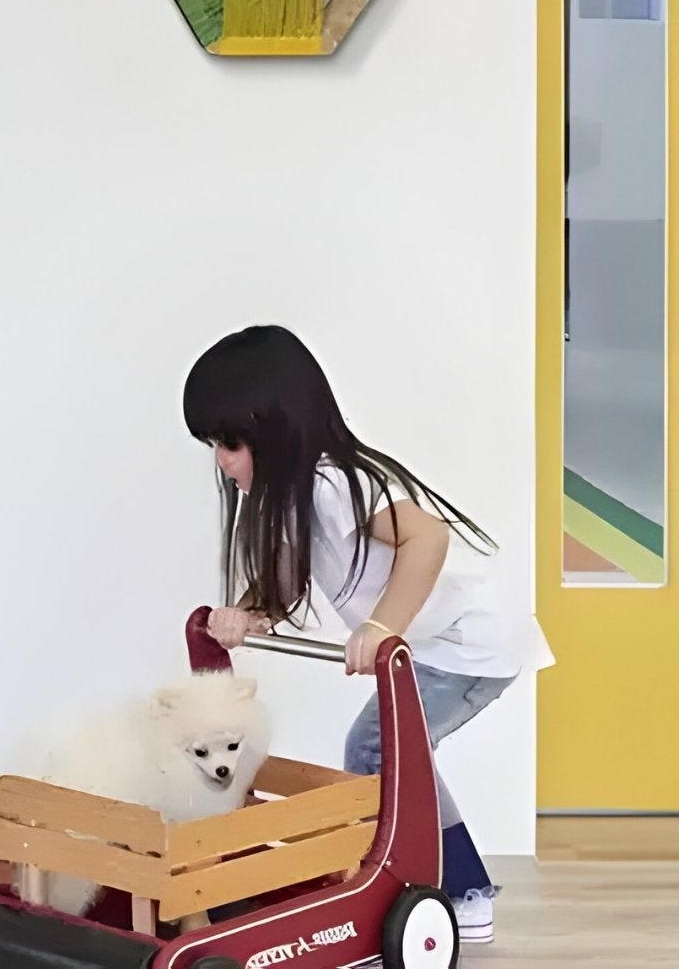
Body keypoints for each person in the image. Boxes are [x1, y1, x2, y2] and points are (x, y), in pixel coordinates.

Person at [183, 325, 547, 948]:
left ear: (276, 429)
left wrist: (383, 626)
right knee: (397, 754)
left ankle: (444, 889)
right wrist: (246, 615)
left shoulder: (331, 484)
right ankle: (465, 885)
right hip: (432, 644)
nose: (222, 459)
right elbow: (285, 580)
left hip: (472, 641)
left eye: (232, 442)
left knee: (376, 752)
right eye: (215, 444)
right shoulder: (292, 499)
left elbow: (427, 537)